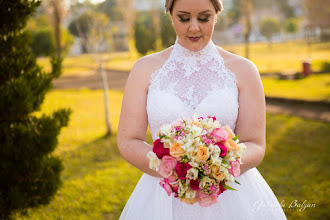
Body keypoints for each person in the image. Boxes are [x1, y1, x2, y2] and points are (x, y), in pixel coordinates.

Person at [117, 0, 287, 219]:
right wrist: (175, 171)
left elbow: (255, 143)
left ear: (217, 13)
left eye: (204, 18)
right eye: (184, 18)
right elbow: (128, 140)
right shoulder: (144, 69)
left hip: (232, 197)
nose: (194, 27)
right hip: (163, 198)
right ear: (170, 14)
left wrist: (217, 168)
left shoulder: (244, 70)